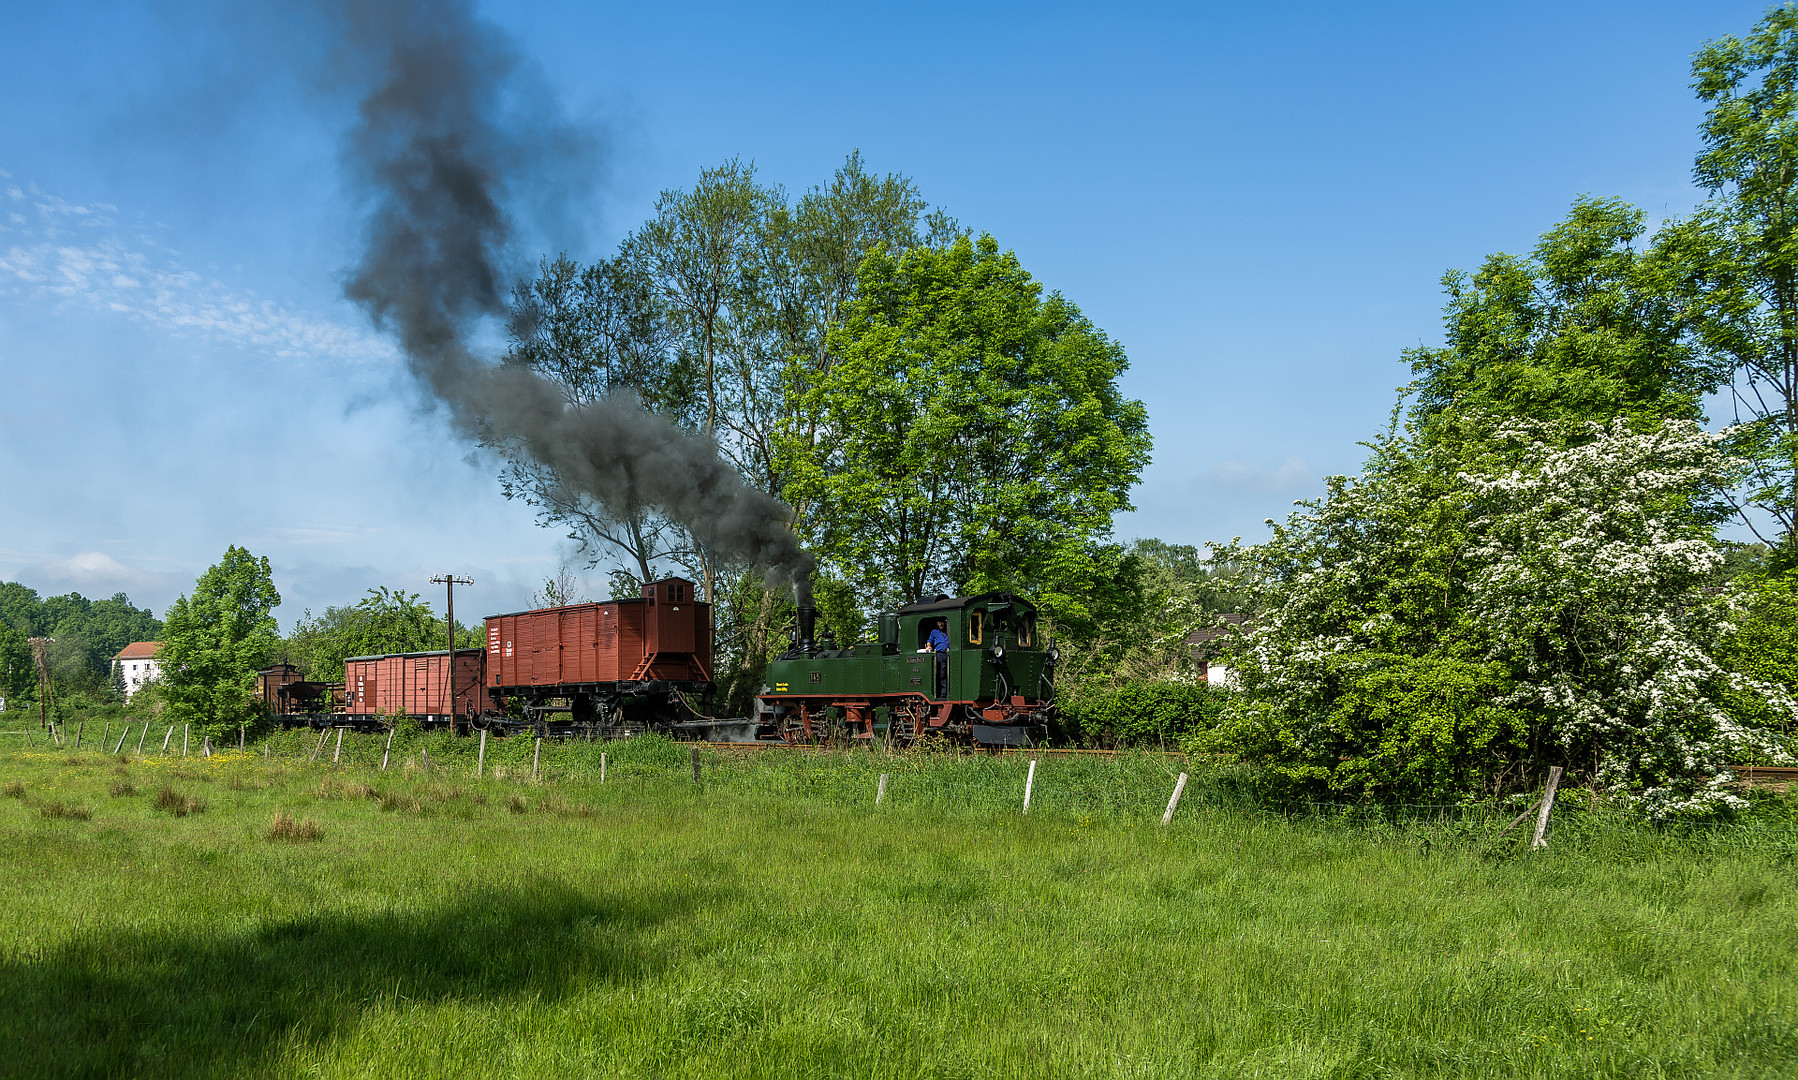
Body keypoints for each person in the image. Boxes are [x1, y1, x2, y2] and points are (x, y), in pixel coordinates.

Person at [926, 617, 949, 697]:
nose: (941, 624)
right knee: (941, 674)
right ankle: (943, 692)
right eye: (939, 622)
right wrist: (929, 647)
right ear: (937, 623)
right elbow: (929, 641)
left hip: (948, 654)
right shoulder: (934, 632)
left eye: (942, 622)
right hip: (940, 654)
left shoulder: (948, 631)